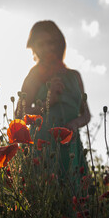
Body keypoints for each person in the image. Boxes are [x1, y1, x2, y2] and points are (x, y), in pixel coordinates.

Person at [15, 20, 90, 192]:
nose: (47, 48)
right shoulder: (34, 76)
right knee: (46, 197)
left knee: (75, 199)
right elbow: (19, 114)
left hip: (71, 146)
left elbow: (86, 114)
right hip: (43, 145)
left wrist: (75, 124)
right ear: (33, 48)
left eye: (51, 42)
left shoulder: (74, 76)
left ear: (59, 44)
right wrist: (48, 103)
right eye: (40, 44)